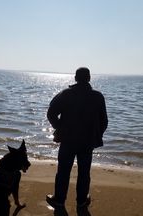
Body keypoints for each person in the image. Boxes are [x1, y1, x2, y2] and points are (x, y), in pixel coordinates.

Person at [46, 67, 108, 208]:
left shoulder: (66, 94)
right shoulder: (98, 97)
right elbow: (104, 121)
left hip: (68, 140)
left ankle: (59, 200)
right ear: (89, 78)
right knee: (84, 172)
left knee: (63, 171)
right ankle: (81, 201)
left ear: (75, 78)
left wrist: (59, 128)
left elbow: (51, 113)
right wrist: (96, 135)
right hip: (87, 142)